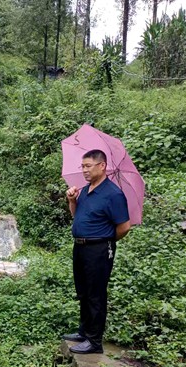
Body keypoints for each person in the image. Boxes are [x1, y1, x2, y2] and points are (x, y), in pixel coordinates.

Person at [63, 149, 131, 354]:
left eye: (88, 166)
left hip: (99, 249)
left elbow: (124, 226)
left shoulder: (113, 194)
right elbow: (77, 216)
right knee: (83, 291)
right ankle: (84, 331)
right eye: (82, 166)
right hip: (80, 246)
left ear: (102, 166)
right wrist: (72, 201)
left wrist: (105, 242)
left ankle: (94, 341)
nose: (84, 170)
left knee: (96, 294)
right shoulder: (85, 190)